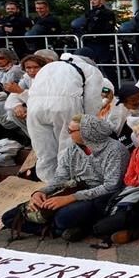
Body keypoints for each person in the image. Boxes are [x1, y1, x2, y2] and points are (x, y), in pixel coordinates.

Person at [2, 115, 129, 241]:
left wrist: (71, 198)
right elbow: (60, 178)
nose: (68, 134)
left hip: (100, 198)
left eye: (71, 131)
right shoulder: (72, 150)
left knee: (62, 218)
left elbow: (111, 186)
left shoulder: (115, 149)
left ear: (86, 131)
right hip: (74, 191)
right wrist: (41, 192)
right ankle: (60, 230)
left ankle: (68, 227)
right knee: (9, 217)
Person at [27, 50, 105, 183]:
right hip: (65, 105)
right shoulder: (90, 69)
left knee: (43, 150)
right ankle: (66, 183)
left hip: (34, 107)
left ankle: (48, 183)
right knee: (67, 146)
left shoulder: (49, 66)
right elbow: (93, 100)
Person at [76, 0, 117, 73]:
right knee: (90, 65)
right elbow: (85, 26)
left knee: (106, 65)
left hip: (102, 42)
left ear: (101, 1)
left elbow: (109, 28)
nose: (92, 1)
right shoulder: (89, 13)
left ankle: (113, 84)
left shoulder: (107, 13)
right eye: (91, 0)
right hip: (90, 42)